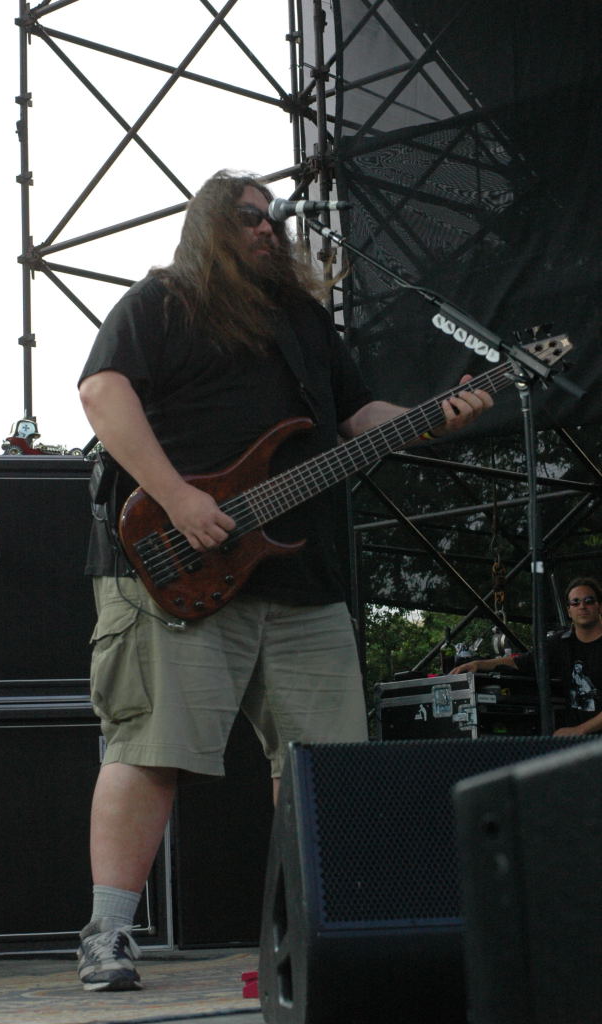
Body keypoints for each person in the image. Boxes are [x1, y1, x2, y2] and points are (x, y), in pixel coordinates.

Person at [75, 169, 493, 991]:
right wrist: (180, 497)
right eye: (248, 217)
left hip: (303, 574)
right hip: (172, 561)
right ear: (207, 227)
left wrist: (435, 416)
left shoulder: (303, 321)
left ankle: (321, 931)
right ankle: (108, 932)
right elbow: (101, 392)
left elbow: (360, 416)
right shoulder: (163, 303)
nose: (268, 228)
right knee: (152, 748)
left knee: (326, 763)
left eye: (274, 218)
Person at [451, 577, 602, 737]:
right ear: (569, 611)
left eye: (589, 601)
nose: (582, 606)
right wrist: (478, 664)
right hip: (577, 742)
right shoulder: (560, 643)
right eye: (575, 602)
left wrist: (580, 730)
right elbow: (520, 662)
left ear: (599, 606)